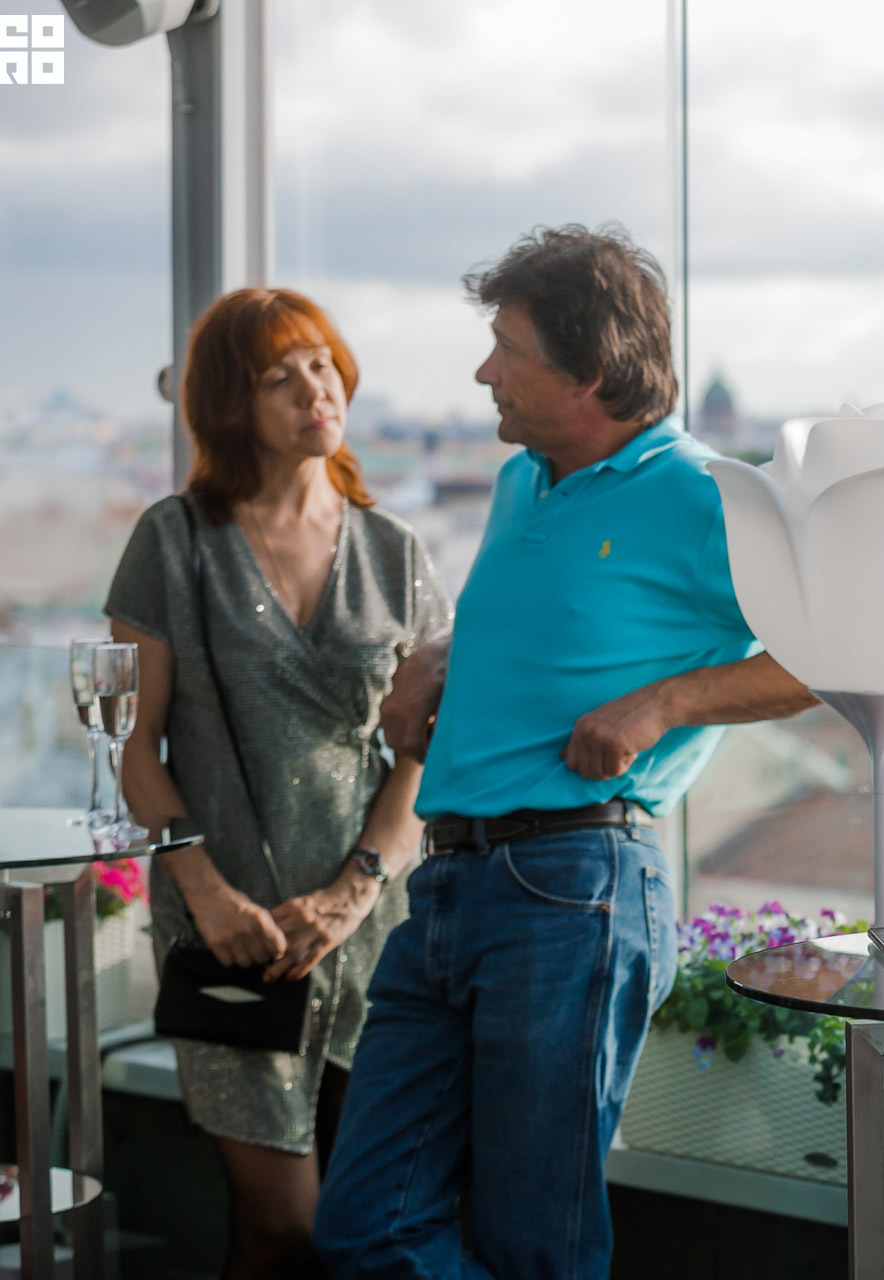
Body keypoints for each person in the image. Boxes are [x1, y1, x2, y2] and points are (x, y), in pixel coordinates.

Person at [311, 224, 814, 1280]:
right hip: (446, 887)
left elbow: (838, 661)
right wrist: (439, 659)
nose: (484, 371)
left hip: (572, 890)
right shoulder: (519, 482)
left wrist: (665, 702)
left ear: (589, 371)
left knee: (536, 1245)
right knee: (362, 1228)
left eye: (508, 348)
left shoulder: (705, 496)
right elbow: (555, 620)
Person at [108, 288, 452, 1280]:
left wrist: (355, 890)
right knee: (282, 1226)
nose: (314, 389)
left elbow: (422, 750)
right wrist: (204, 892)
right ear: (230, 402)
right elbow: (134, 747)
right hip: (230, 933)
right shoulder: (173, 540)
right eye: (277, 376)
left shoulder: (395, 552)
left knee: (356, 1227)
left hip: (366, 928)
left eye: (321, 363)